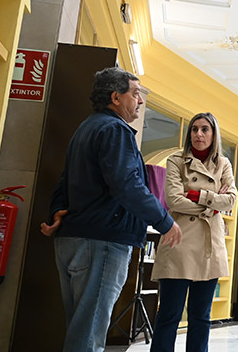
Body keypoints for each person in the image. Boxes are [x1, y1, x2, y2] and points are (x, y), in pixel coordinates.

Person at [41, 67, 182, 352]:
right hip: (102, 244)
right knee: (89, 335)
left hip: (73, 239)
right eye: (135, 93)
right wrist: (165, 221)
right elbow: (127, 184)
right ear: (116, 97)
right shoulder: (115, 130)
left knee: (79, 329)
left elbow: (66, 180)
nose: (140, 101)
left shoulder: (87, 127)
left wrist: (57, 210)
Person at [150, 112, 237, 352]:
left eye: (205, 129)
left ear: (213, 134)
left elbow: (230, 200)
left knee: (201, 316)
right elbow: (174, 200)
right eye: (194, 129)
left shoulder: (223, 163)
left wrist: (199, 195)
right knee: (169, 314)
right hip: (179, 242)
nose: (199, 134)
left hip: (209, 247)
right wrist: (213, 204)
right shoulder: (176, 160)